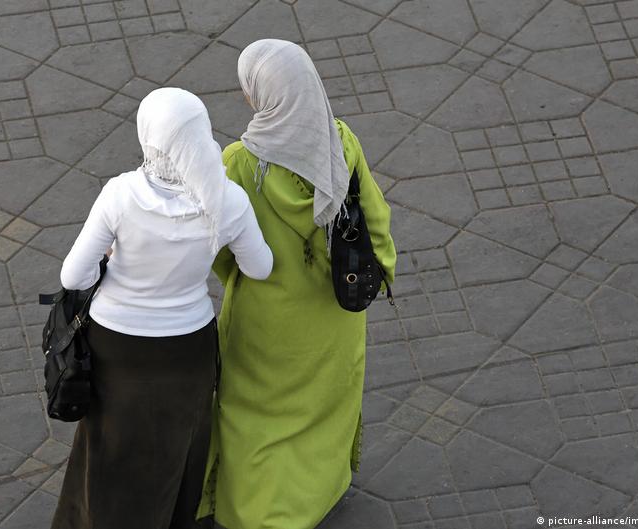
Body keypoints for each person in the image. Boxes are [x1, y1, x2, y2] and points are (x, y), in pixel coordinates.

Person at [196, 39, 397, 529]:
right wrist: (381, 268)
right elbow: (374, 218)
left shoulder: (239, 162)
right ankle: (315, 494)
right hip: (332, 309)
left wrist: (239, 283)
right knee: (322, 406)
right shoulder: (340, 142)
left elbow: (221, 250)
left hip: (266, 319)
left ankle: (255, 510)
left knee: (253, 412)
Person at [52, 87, 273, 529]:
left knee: (110, 444)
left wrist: (113, 264)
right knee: (179, 445)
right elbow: (261, 267)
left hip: (115, 344)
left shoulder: (121, 194)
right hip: (187, 346)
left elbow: (73, 277)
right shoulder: (227, 200)